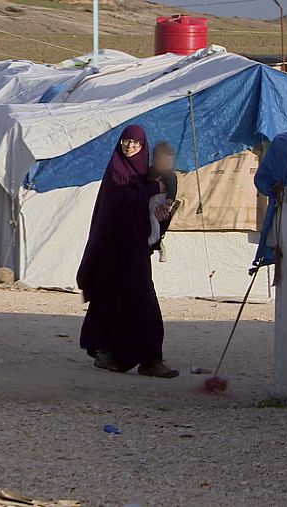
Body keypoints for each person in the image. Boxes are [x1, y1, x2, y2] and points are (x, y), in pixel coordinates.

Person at [76, 124, 179, 378]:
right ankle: (124, 357)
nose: (130, 146)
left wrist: (163, 215)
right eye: (126, 141)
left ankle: (147, 359)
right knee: (120, 302)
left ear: (144, 147)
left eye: (136, 143)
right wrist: (153, 191)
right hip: (113, 252)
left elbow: (147, 213)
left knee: (141, 303)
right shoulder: (116, 172)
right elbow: (121, 205)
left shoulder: (146, 175)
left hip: (135, 252)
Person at [147, 141, 178, 248]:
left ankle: (155, 237)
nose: (165, 167)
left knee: (154, 216)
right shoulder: (149, 172)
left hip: (161, 200)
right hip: (151, 200)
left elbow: (172, 187)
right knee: (152, 215)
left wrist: (169, 199)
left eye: (167, 164)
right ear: (153, 161)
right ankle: (155, 238)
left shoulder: (169, 174)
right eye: (162, 163)